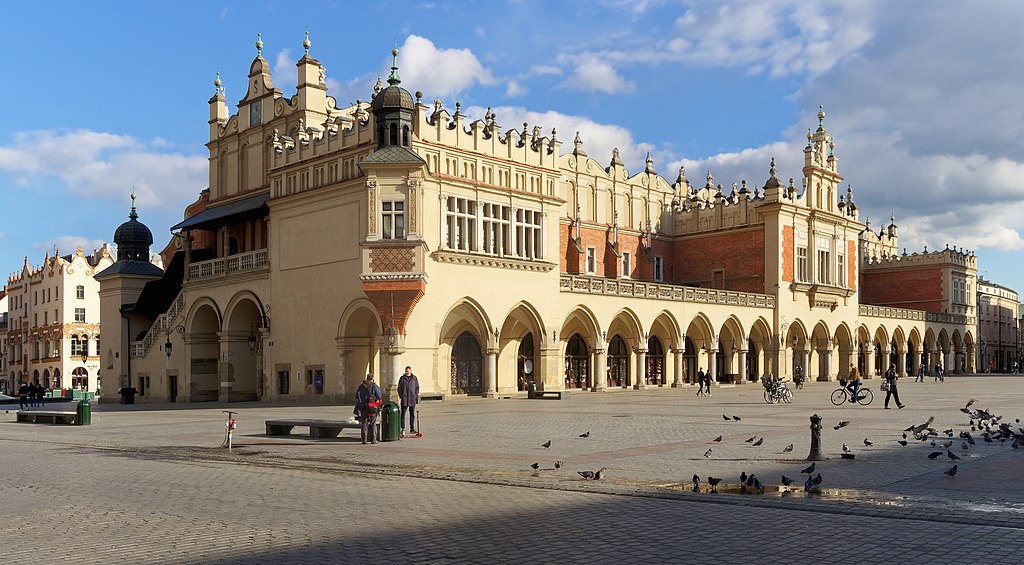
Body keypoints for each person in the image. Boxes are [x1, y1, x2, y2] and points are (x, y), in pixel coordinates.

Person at [355, 374, 383, 444]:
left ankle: (364, 440)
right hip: (372, 408)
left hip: (363, 408)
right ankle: (373, 439)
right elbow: (379, 395)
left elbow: (356, 396)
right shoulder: (374, 386)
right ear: (372, 379)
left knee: (364, 423)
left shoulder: (361, 386)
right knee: (373, 424)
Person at [397, 365, 420, 434]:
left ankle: (412, 428)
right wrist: (401, 396)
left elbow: (417, 387)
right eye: (406, 371)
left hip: (412, 399)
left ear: (410, 371)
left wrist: (415, 395)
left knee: (412, 414)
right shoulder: (402, 378)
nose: (406, 372)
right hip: (404, 399)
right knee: (403, 414)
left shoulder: (414, 378)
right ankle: (402, 428)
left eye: (408, 371)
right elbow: (399, 388)